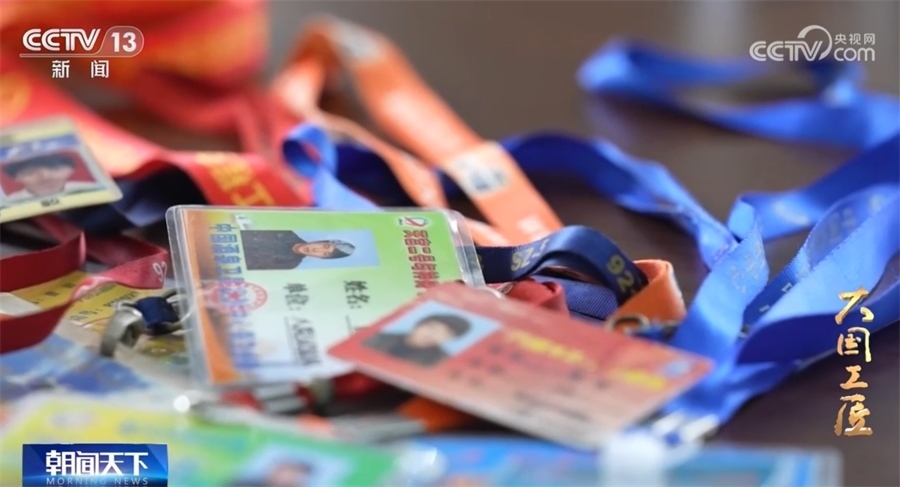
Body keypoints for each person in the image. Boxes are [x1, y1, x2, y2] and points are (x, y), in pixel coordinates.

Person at [365, 314, 471, 366]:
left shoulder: (441, 361)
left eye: (444, 334)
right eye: (431, 327)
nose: (432, 334)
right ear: (419, 325)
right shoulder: (377, 338)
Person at [1, 152, 97, 202]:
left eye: (55, 168)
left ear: (70, 170)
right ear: (16, 178)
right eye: (30, 172)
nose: (45, 176)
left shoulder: (91, 190)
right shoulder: (11, 202)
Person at [240, 230, 355, 270]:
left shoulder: (290, 264)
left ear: (321, 258)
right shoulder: (286, 232)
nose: (316, 250)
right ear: (320, 241)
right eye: (324, 246)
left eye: (324, 254)